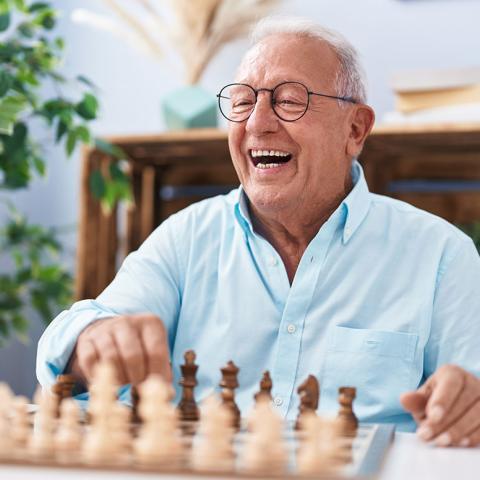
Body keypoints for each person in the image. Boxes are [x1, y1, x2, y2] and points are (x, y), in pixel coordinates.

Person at [37, 17, 480, 446]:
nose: (257, 123)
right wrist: (91, 342)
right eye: (243, 101)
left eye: (289, 100)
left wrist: (469, 403)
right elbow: (83, 337)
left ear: (355, 128)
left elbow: (471, 395)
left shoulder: (442, 254)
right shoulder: (186, 237)